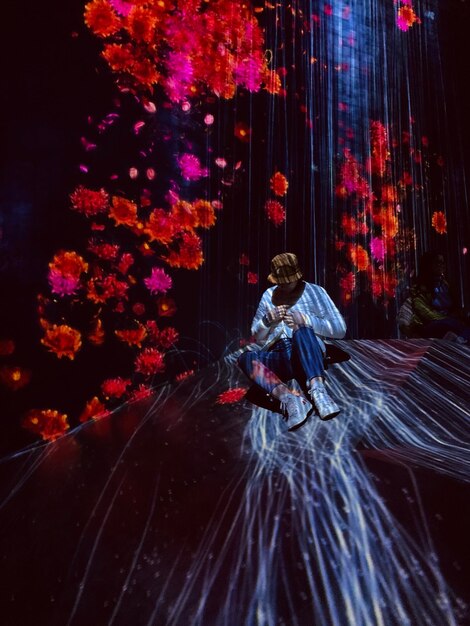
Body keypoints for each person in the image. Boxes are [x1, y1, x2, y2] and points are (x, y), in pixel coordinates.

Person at [237, 253, 347, 431]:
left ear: (297, 276)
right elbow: (256, 336)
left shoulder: (315, 292)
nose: (283, 285)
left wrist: (306, 320)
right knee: (246, 358)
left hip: (307, 350)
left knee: (300, 329)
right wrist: (266, 321)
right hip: (279, 354)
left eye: (287, 281)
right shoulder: (268, 295)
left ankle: (319, 392)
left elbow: (340, 329)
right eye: (280, 281)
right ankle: (291, 399)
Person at [407, 251, 470, 343]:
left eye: (443, 262)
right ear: (429, 265)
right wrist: (447, 318)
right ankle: (458, 339)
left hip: (449, 322)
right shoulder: (418, 288)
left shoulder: (446, 285)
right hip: (430, 324)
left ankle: (459, 339)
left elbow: (455, 307)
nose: (442, 265)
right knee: (451, 324)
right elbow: (425, 313)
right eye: (438, 262)